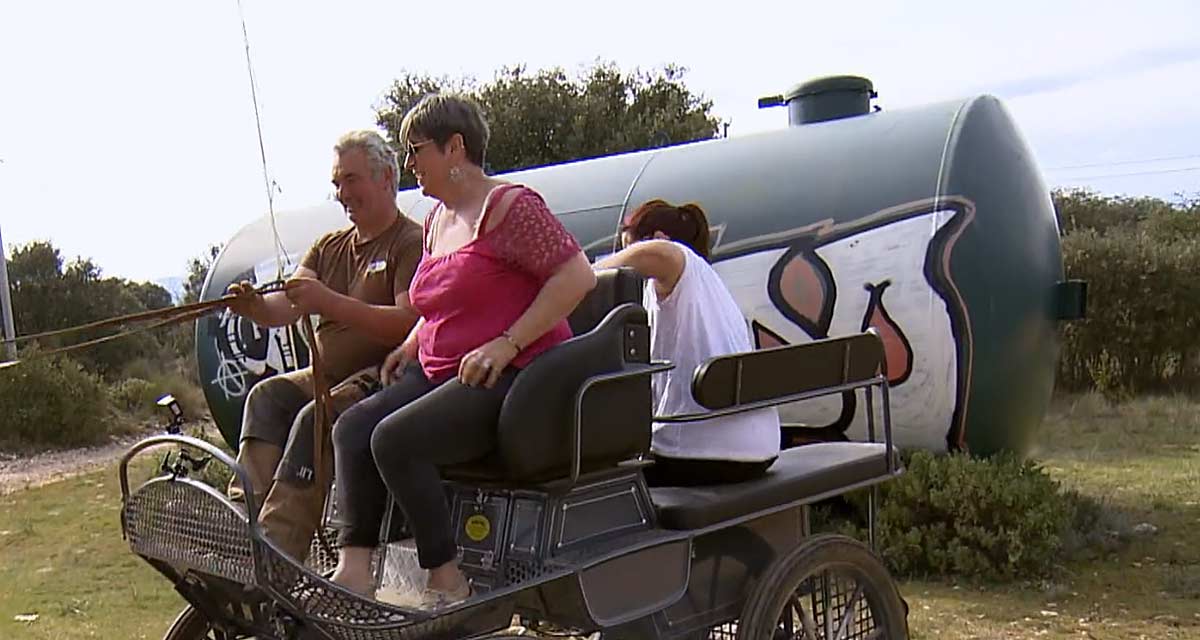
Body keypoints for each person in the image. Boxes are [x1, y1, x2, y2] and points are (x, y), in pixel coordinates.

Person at [327, 93, 596, 607]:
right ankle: (355, 568)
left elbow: (576, 276)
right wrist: (409, 342)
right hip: (440, 368)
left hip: (511, 374)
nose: (409, 164)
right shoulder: (435, 220)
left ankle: (448, 580)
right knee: (351, 428)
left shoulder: (511, 207)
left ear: (456, 148)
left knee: (395, 440)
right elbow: (440, 301)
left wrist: (506, 341)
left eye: (416, 150)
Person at [225, 130, 423, 560]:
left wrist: (330, 302)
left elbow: (407, 322)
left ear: (387, 178)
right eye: (337, 183)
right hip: (327, 374)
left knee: (316, 418)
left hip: (383, 378)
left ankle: (277, 548)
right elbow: (286, 305)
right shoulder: (329, 247)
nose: (342, 193)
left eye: (351, 180)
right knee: (268, 396)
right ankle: (239, 516)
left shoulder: (411, 242)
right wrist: (254, 306)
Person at [595, 199, 780, 487]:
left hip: (701, 453)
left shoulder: (676, 259)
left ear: (658, 237)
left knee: (594, 473)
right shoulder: (712, 285)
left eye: (627, 246)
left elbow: (655, 254)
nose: (624, 255)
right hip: (759, 449)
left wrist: (581, 275)